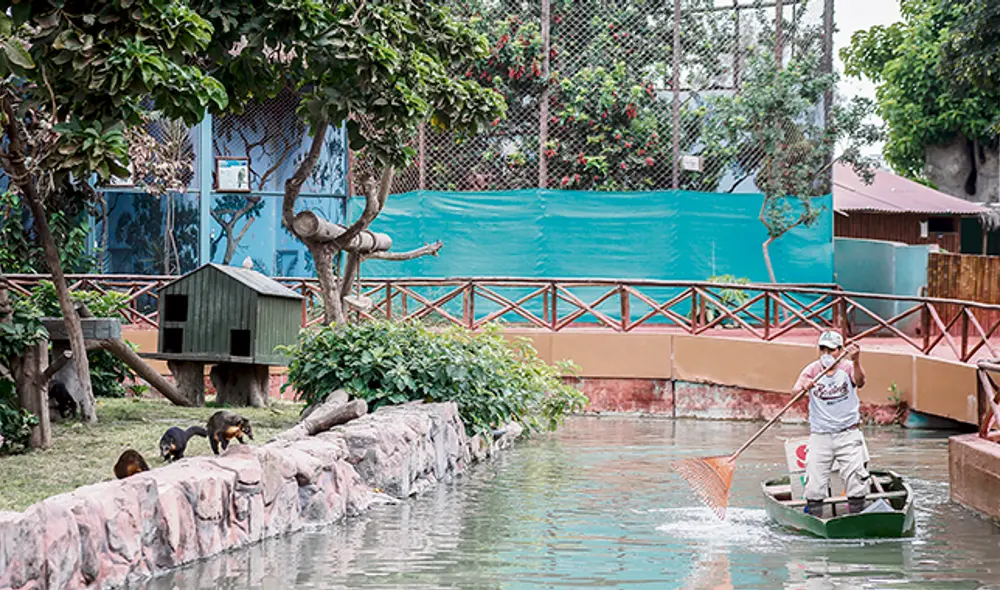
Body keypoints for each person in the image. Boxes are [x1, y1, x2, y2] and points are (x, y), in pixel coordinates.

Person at [793, 330, 869, 516]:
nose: (826, 354)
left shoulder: (848, 368)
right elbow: (795, 393)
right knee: (814, 484)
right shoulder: (812, 370)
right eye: (823, 349)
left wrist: (857, 360)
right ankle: (815, 517)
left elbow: (860, 382)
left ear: (840, 350)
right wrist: (804, 387)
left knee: (856, 480)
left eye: (831, 350)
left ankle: (857, 516)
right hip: (821, 435)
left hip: (848, 433)